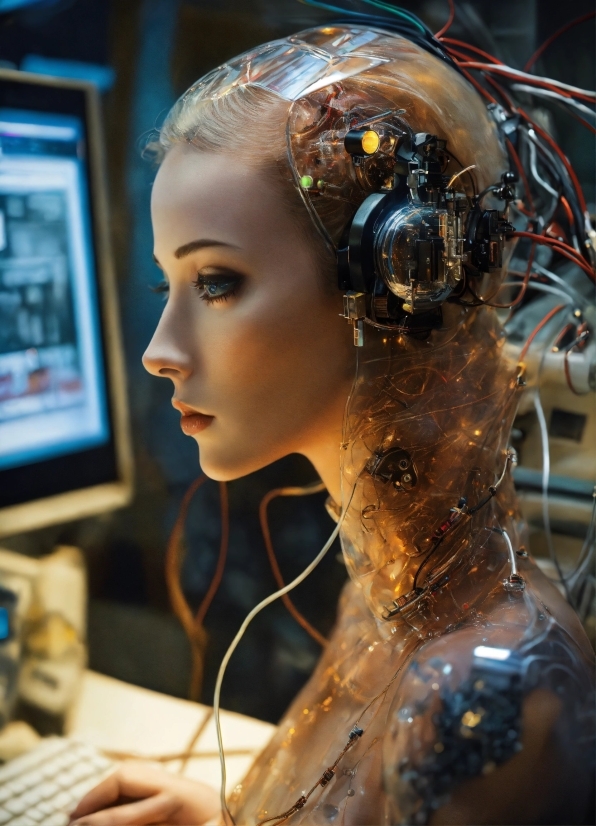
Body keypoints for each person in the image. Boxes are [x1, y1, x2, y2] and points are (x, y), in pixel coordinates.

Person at [69, 18, 595, 826]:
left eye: (214, 282)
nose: (158, 352)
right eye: (163, 287)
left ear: (395, 282)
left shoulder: (476, 694)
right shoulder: (393, 594)